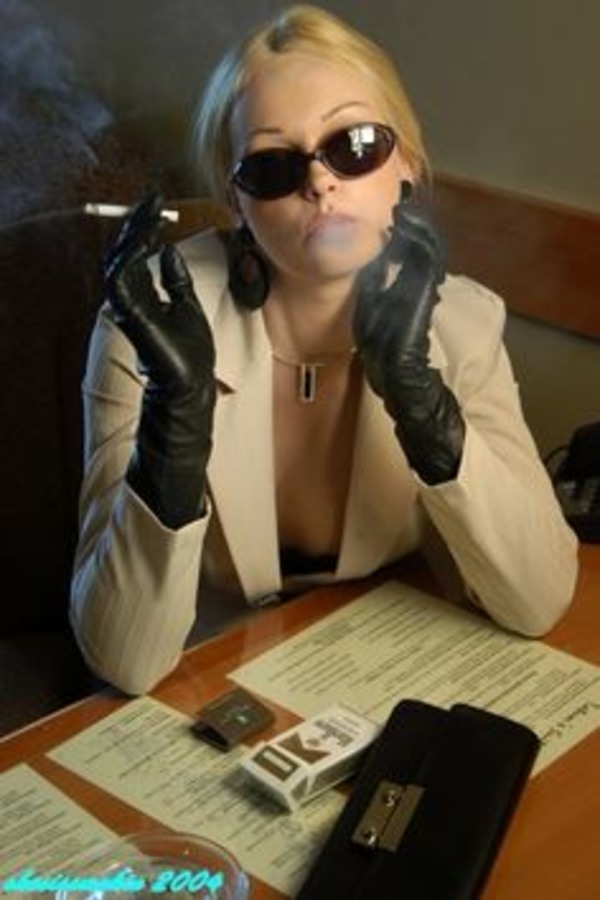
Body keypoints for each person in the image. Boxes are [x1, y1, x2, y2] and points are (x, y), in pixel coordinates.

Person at [70, 4, 578, 695]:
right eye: (272, 165)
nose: (319, 182)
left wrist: (418, 394)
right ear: (236, 200)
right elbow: (121, 660)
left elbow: (539, 600)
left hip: (383, 660)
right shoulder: (151, 323)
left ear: (406, 164)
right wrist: (175, 418)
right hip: (200, 677)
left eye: (355, 145)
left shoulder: (464, 322)